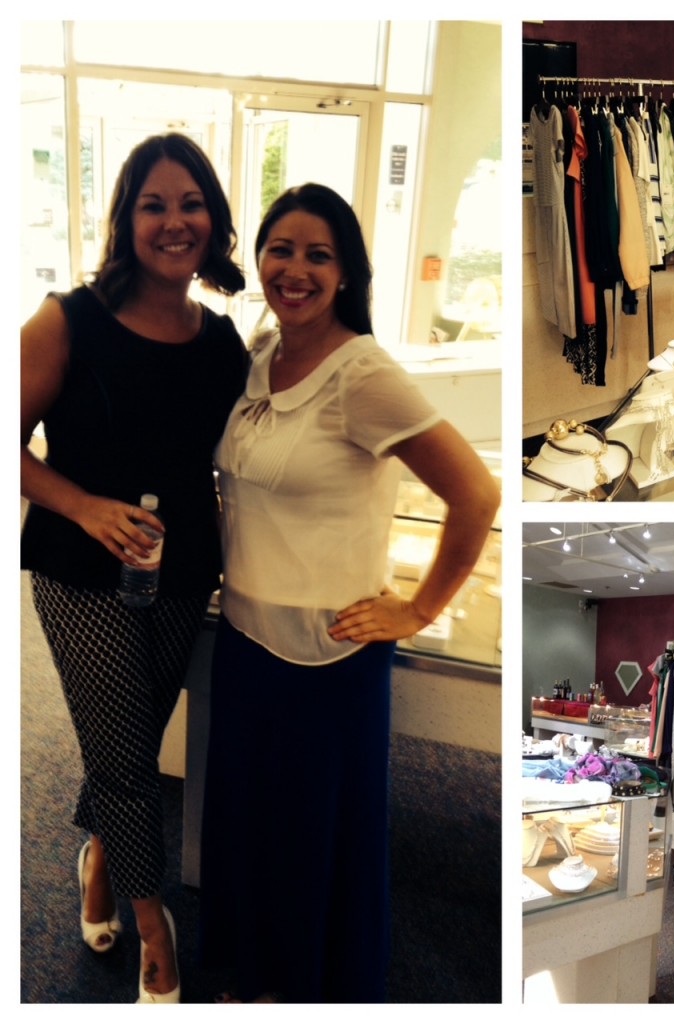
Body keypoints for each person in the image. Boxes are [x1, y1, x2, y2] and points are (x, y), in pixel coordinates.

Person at [198, 183, 501, 1004]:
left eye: (317, 255)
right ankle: (263, 975)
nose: (294, 270)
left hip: (325, 658)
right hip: (247, 641)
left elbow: (476, 494)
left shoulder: (361, 373)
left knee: (308, 841)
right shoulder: (262, 354)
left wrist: (420, 607)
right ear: (259, 258)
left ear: (347, 273)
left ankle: (302, 988)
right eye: (281, 250)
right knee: (253, 829)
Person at [20, 134, 249, 1003]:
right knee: (124, 760)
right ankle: (156, 927)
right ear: (126, 219)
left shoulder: (223, 342)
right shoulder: (66, 319)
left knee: (127, 738)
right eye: (153, 203)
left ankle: (99, 865)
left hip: (183, 567)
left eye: (190, 203)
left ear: (214, 223)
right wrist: (80, 503)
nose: (173, 220)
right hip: (79, 571)